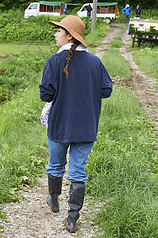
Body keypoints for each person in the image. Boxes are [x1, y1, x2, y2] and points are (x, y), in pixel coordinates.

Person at [39, 15, 113, 233]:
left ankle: (54, 200)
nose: (55, 34)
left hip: (59, 124)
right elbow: (106, 90)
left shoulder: (54, 61)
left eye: (58, 31)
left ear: (69, 36)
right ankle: (72, 217)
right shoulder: (95, 62)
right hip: (86, 126)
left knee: (56, 164)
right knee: (78, 171)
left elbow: (46, 94)